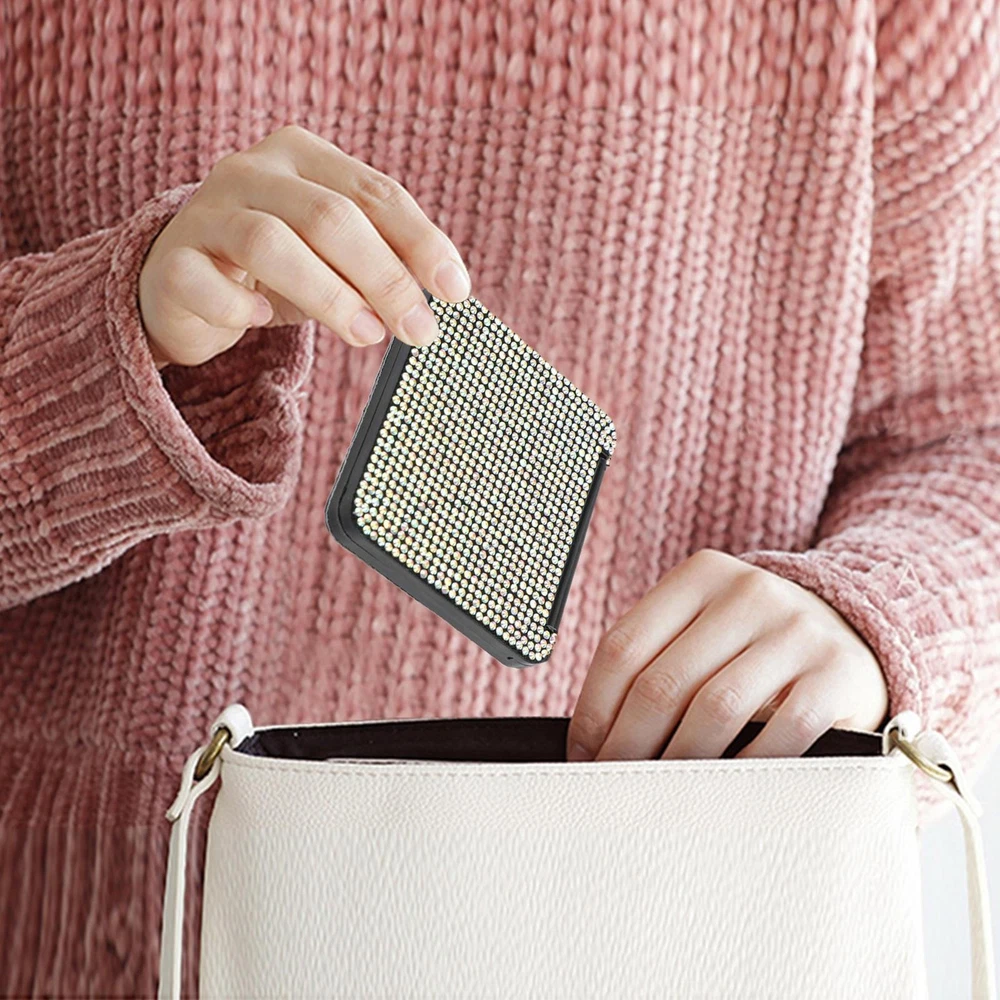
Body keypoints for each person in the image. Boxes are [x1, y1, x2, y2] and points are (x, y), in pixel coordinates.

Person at [2, 0, 998, 995]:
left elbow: (968, 429)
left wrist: (877, 615)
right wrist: (107, 340)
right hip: (96, 930)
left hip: (674, 929)